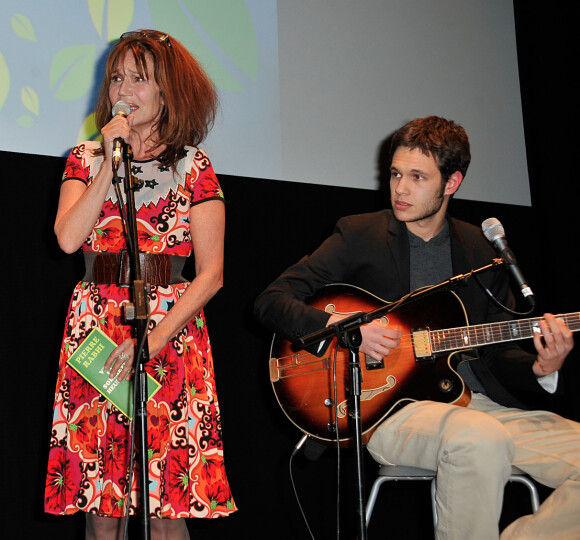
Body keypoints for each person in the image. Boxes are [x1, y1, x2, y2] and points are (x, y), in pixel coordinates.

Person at [254, 116, 580, 539]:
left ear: (452, 182)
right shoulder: (360, 234)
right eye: (395, 174)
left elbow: (498, 351)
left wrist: (542, 368)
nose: (400, 189)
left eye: (417, 177)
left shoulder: (483, 252)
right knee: (479, 440)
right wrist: (345, 327)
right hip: (390, 412)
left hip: (476, 406)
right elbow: (271, 301)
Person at [44, 30, 236, 539]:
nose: (123, 89)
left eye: (138, 79)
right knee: (103, 504)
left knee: (169, 503)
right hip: (97, 334)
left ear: (167, 91)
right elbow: (67, 239)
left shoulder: (195, 167)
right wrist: (111, 161)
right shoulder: (85, 158)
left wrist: (151, 342)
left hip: (169, 332)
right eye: (116, 78)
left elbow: (211, 273)